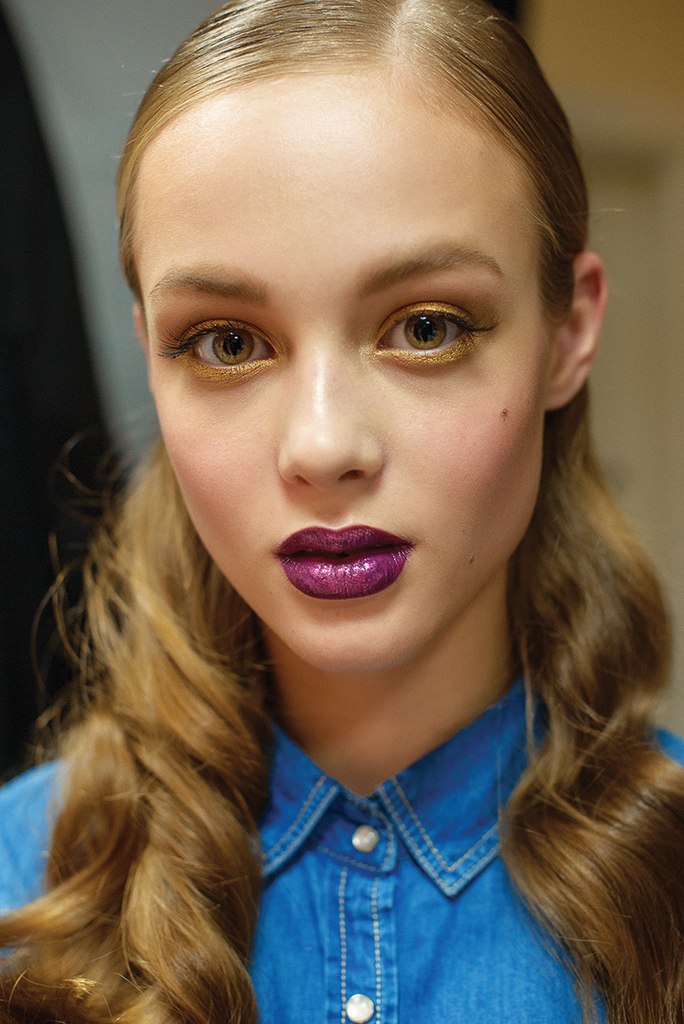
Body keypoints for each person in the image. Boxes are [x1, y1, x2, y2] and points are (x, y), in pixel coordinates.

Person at [0, 1, 682, 1021]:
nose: (321, 447)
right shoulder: (18, 889)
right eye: (228, 343)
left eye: (426, 327)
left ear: (568, 331)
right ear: (151, 355)